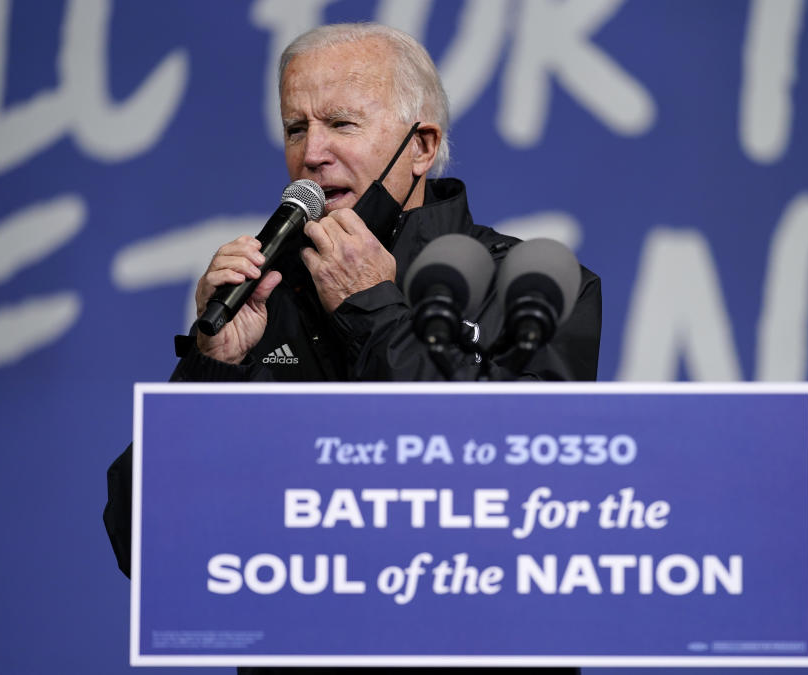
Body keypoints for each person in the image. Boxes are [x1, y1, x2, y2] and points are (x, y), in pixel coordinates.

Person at [104, 22, 601, 675]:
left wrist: (376, 312)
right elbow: (145, 546)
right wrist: (209, 368)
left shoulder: (531, 286)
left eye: (340, 123)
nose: (312, 154)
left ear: (421, 146)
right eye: (294, 128)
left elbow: (512, 503)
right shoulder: (264, 299)